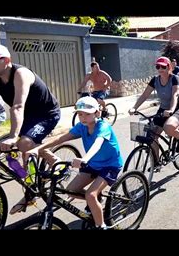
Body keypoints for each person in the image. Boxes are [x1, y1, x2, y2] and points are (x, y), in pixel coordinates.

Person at [0, 44, 61, 214]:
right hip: (27, 116)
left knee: (24, 143)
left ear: (7, 60)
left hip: (46, 114)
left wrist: (13, 135)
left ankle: (54, 163)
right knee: (20, 154)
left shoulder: (21, 74)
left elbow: (18, 106)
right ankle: (32, 187)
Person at [26, 96, 123, 230]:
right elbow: (61, 138)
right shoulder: (81, 127)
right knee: (71, 191)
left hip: (109, 165)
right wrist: (37, 148)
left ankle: (101, 226)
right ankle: (96, 201)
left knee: (90, 195)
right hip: (93, 164)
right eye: (80, 114)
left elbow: (97, 143)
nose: (83, 117)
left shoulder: (103, 126)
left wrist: (85, 159)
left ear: (97, 112)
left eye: (87, 114)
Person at [129, 57, 179, 162]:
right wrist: (134, 107)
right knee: (151, 135)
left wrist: (171, 110)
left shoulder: (174, 79)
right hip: (163, 109)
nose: (160, 69)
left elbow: (175, 94)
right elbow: (144, 95)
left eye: (163, 67)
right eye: (158, 66)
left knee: (168, 127)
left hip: (178, 108)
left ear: (169, 67)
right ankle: (156, 162)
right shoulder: (155, 80)